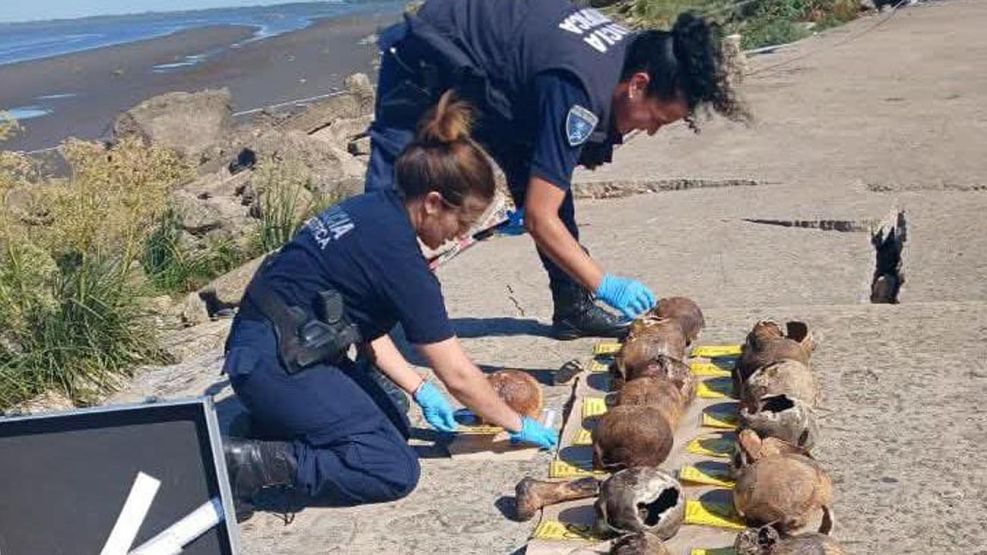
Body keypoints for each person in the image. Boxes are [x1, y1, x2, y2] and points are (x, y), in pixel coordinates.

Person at [222, 92, 558, 517]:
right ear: (434, 202)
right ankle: (247, 465)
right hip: (276, 364)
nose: (459, 236)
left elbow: (362, 323)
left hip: (273, 348)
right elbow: (457, 373)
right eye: (461, 222)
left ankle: (266, 427)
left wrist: (418, 390)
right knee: (390, 467)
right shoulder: (401, 260)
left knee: (394, 423)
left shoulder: (373, 210)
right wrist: (518, 425)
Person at [368, 0, 747, 339]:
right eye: (657, 120)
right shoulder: (578, 91)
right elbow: (539, 217)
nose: (649, 131)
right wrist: (604, 283)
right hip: (427, 56)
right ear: (638, 85)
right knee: (387, 202)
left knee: (548, 178)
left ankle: (572, 308)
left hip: (499, 76)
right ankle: (364, 338)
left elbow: (548, 188)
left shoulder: (631, 54)